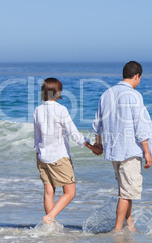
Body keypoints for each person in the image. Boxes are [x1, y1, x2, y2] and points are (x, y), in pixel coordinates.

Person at [92, 61, 152, 231]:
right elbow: (140, 126)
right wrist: (147, 152)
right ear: (137, 76)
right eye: (140, 78)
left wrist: (98, 144)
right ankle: (117, 229)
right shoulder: (133, 95)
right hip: (129, 151)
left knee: (125, 190)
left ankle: (129, 223)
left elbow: (97, 124)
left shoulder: (107, 94)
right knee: (126, 192)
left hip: (114, 151)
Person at [34, 77, 102, 224]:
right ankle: (49, 217)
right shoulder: (61, 110)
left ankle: (50, 226)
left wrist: (38, 154)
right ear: (58, 92)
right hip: (59, 157)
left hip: (42, 157)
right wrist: (91, 147)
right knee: (70, 192)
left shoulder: (37, 110)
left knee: (48, 192)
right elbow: (74, 133)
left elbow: (36, 137)